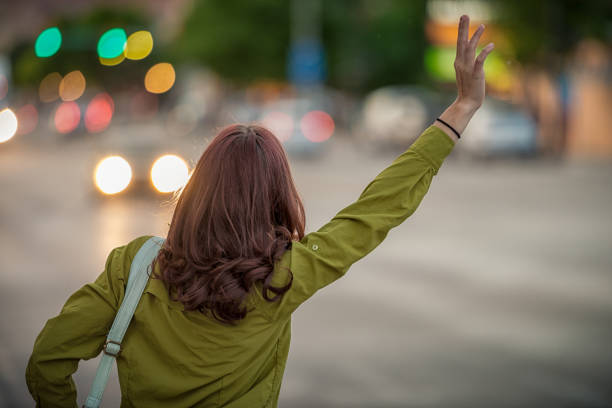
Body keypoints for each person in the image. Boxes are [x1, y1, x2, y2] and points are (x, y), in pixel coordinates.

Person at [26, 14, 494, 408]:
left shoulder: (133, 267)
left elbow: (47, 361)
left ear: (198, 191)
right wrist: (461, 108)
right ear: (274, 199)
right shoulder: (283, 279)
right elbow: (376, 210)